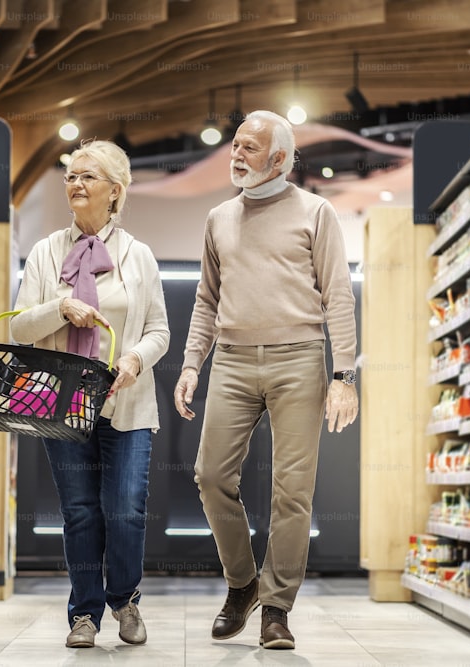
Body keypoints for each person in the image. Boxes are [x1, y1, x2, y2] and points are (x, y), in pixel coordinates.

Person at [173, 110, 359, 650]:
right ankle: (242, 583)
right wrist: (191, 365)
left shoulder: (315, 212)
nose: (236, 155)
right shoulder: (218, 218)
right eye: (235, 145)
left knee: (292, 492)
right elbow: (206, 300)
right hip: (230, 360)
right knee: (210, 476)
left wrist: (343, 373)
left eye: (249, 149)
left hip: (299, 358)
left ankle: (276, 608)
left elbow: (338, 295)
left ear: (279, 158)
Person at [10, 139, 170, 649]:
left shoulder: (138, 256)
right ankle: (84, 613)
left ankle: (125, 600)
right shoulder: (44, 252)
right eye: (70, 176)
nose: (75, 184)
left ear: (115, 191)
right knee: (79, 511)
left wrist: (134, 358)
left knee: (124, 508)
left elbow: (160, 331)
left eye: (87, 177)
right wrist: (62, 308)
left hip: (127, 402)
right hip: (61, 402)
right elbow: (18, 328)